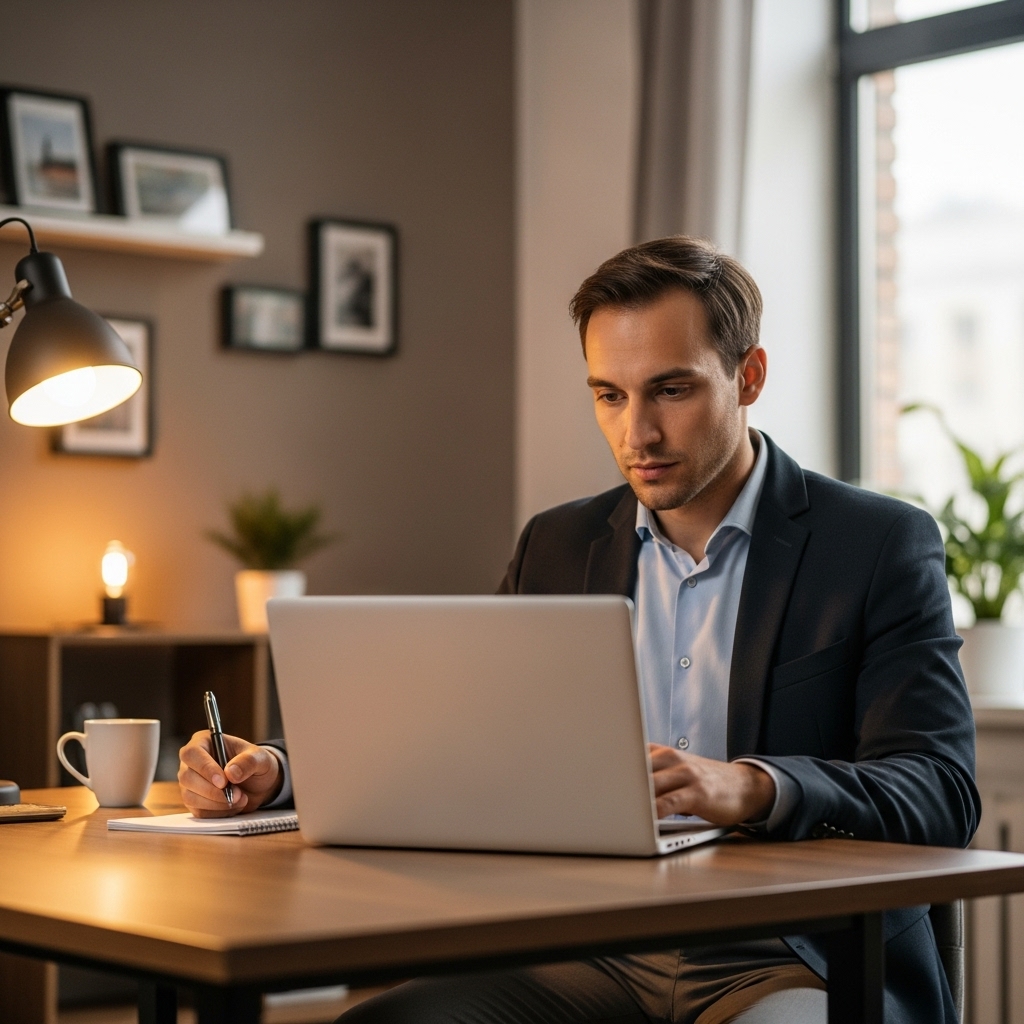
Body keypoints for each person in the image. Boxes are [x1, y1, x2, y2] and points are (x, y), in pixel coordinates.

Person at [179, 236, 979, 1024]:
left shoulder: (876, 544)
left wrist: (751, 785)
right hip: (593, 947)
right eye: (609, 395)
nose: (639, 435)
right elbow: (451, 733)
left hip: (787, 953)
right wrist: (275, 772)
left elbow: (940, 790)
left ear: (750, 376)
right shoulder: (556, 546)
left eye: (671, 390)